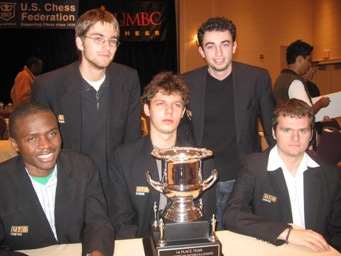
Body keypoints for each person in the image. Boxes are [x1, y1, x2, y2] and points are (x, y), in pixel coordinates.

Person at [178, 17, 276, 229]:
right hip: (202, 180)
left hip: (242, 178)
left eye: (225, 44)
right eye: (210, 47)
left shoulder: (256, 78)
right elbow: (181, 130)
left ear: (234, 46)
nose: (219, 53)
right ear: (202, 51)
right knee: (206, 237)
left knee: (241, 241)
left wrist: (272, 172)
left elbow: (271, 129)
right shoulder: (186, 82)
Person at [31, 8, 141, 190]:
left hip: (114, 185)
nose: (107, 47)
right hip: (68, 184)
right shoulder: (49, 85)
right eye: (98, 39)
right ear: (80, 42)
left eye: (112, 40)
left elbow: (132, 139)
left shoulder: (128, 79)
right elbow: (40, 145)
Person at [106, 71, 216, 239]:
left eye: (176, 105)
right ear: (146, 109)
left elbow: (206, 218)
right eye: (160, 104)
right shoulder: (123, 159)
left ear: (183, 112)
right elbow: (121, 222)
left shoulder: (200, 159)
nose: (169, 111)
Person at [223, 99, 341, 253]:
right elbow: (232, 215)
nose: (295, 138)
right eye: (287, 130)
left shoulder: (329, 173)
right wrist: (287, 233)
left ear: (311, 134)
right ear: (273, 132)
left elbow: (337, 230)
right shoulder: (255, 167)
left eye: (302, 131)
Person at [0, 102, 115, 256]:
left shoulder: (82, 166)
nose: (46, 145)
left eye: (52, 133)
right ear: (15, 144)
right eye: (32, 139)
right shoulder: (3, 181)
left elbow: (98, 222)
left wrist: (96, 253)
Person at [273, 40, 330, 115]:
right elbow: (306, 113)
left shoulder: (281, 77)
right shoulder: (295, 82)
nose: (309, 64)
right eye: (308, 60)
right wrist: (321, 103)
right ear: (299, 59)